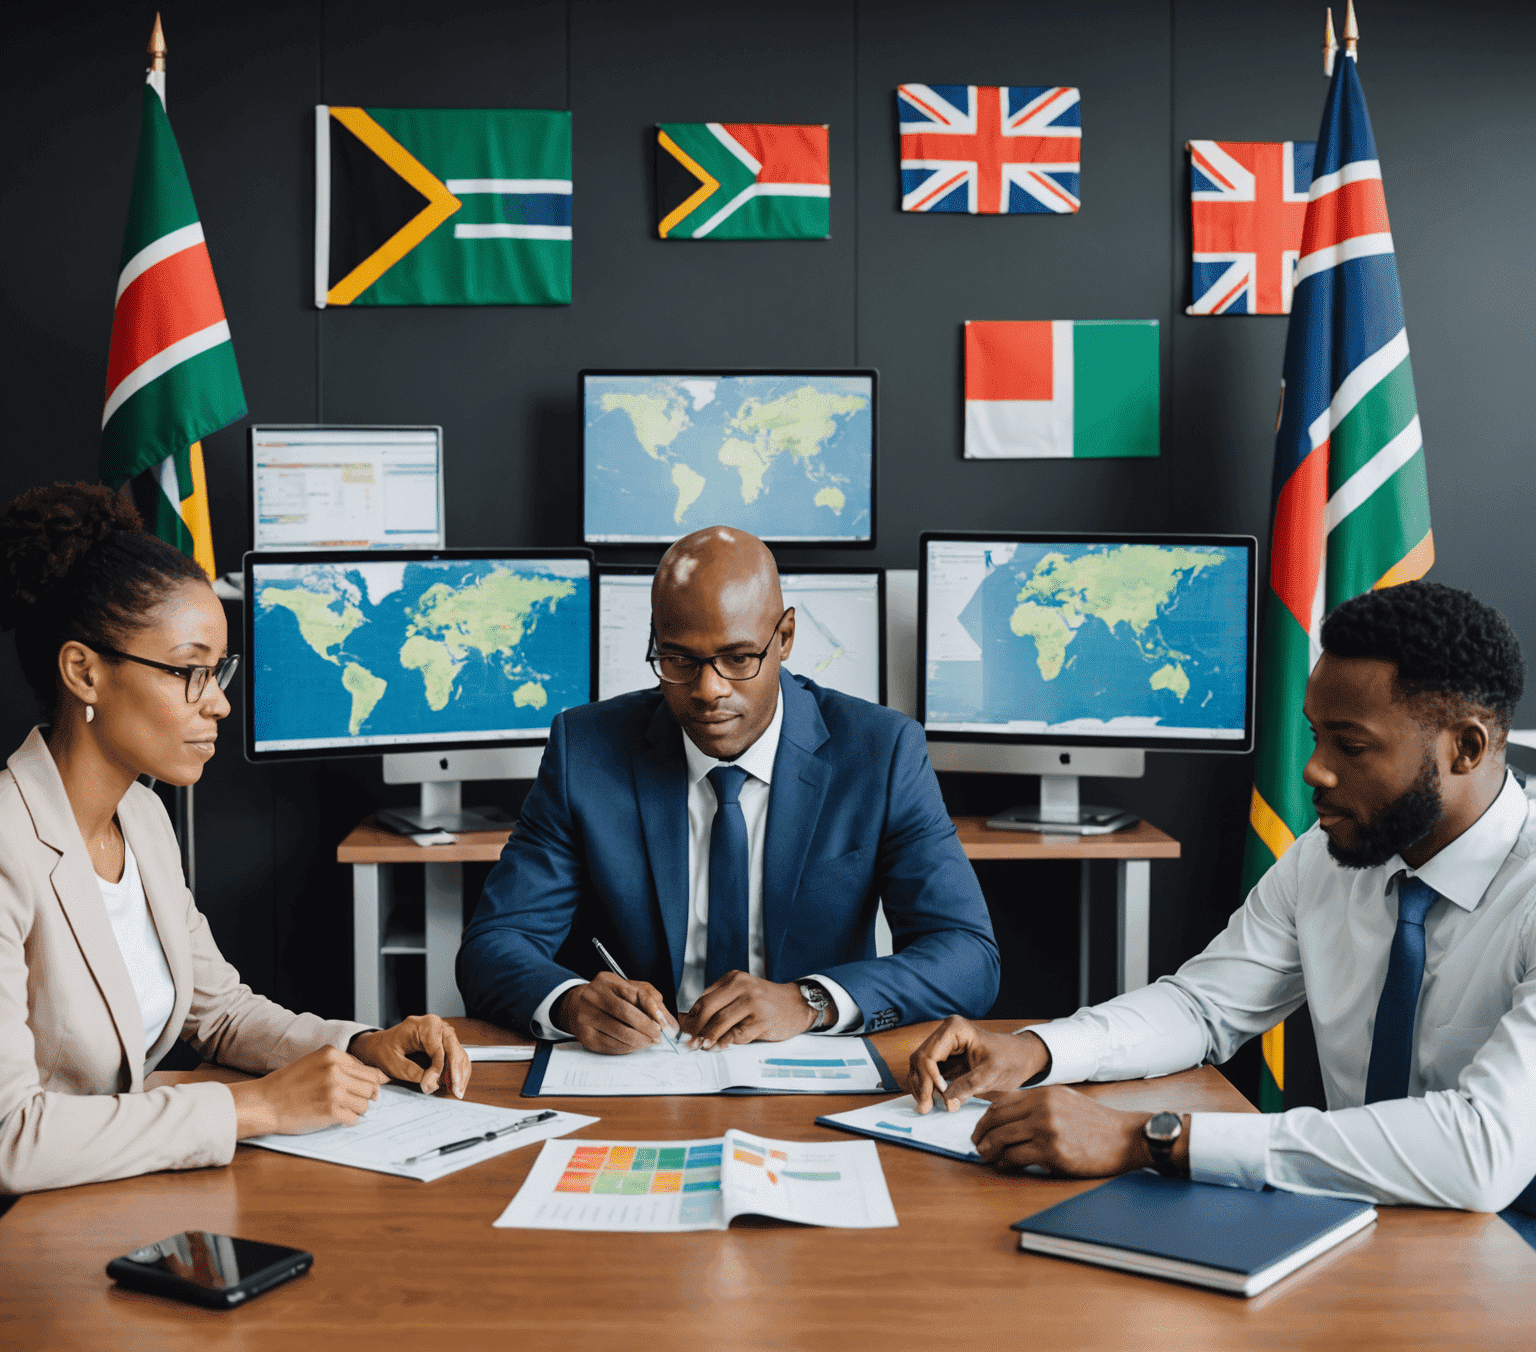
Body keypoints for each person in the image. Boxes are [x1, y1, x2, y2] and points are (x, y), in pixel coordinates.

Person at [907, 580, 1536, 1220]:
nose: (1313, 771)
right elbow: (1204, 1008)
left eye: (1349, 746)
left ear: (1467, 747)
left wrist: (1144, 1137)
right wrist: (1037, 1049)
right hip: (1357, 1218)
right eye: (1314, 735)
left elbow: (1484, 1152)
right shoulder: (1331, 855)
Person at [0, 482, 471, 1195]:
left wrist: (361, 1046)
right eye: (190, 671)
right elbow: (12, 1138)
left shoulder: (144, 818)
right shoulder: (9, 844)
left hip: (119, 1197)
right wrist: (253, 1106)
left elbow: (219, 1014)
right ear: (84, 671)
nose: (218, 700)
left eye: (217, 672)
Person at [458, 525, 999, 1052]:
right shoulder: (587, 750)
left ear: (784, 638)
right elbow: (492, 947)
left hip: (808, 1065)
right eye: (679, 660)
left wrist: (809, 1002)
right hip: (642, 1072)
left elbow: (967, 955)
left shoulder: (880, 752)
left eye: (738, 659)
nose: (708, 690)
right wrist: (570, 1003)